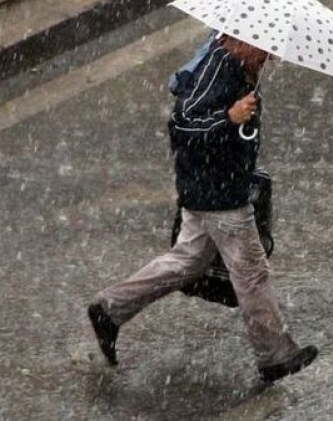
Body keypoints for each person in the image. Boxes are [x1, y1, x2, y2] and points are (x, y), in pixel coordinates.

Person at [87, 34, 318, 383]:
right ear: (235, 40)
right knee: (252, 271)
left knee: (187, 262)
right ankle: (275, 355)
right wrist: (229, 117)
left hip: (212, 187)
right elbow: (182, 125)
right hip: (218, 194)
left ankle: (110, 308)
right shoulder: (216, 69)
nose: (268, 56)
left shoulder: (235, 65)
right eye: (262, 47)